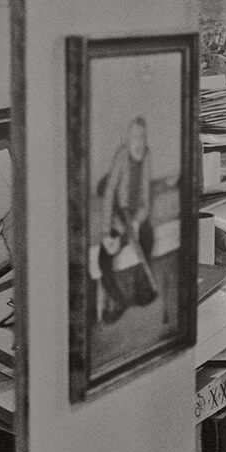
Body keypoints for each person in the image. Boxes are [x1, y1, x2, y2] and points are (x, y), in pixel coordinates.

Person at [97, 115, 157, 322]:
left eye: (141, 136)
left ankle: (142, 289)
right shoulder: (122, 155)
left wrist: (138, 220)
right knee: (104, 258)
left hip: (136, 215)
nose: (138, 142)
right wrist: (107, 231)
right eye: (134, 137)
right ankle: (117, 300)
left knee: (148, 238)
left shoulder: (146, 156)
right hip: (119, 214)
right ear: (128, 138)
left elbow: (146, 196)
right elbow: (109, 192)